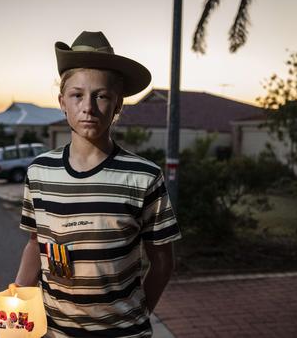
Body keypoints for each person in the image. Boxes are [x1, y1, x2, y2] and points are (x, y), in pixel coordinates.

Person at [14, 31, 182, 337]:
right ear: (62, 102)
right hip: (55, 331)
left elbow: (163, 262)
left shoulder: (144, 176)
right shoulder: (39, 171)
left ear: (117, 105)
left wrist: (140, 312)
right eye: (77, 95)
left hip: (124, 332)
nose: (88, 106)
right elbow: (36, 242)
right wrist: (19, 295)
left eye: (101, 95)